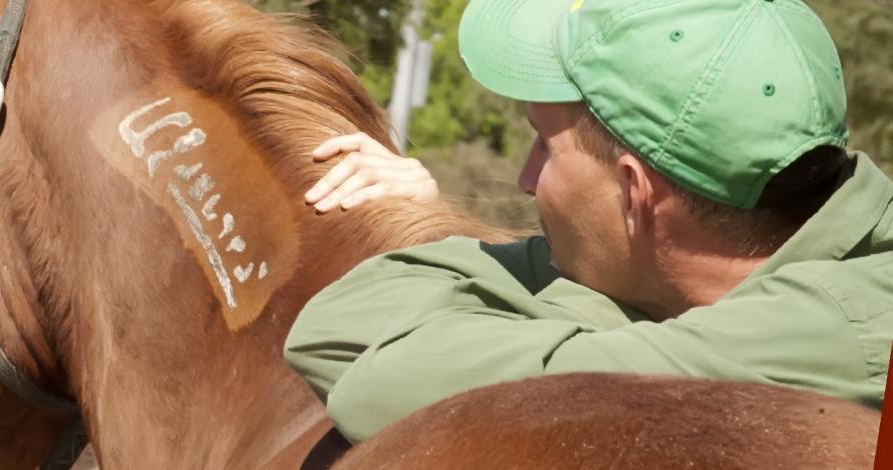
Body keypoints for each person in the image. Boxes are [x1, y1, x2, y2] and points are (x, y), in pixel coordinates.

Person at [286, 0, 893, 443]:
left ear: (633, 191)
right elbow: (343, 321)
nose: (526, 179)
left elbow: (379, 384)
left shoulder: (847, 328)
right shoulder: (785, 259)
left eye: (543, 146)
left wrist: (569, 312)